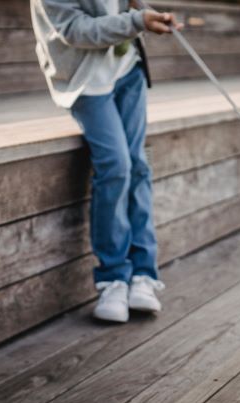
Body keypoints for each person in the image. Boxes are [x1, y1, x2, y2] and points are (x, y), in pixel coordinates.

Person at [31, 0, 182, 322]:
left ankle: (143, 274)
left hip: (127, 70)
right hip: (85, 80)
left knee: (138, 165)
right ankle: (113, 278)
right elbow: (76, 30)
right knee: (116, 166)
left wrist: (146, 13)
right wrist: (138, 20)